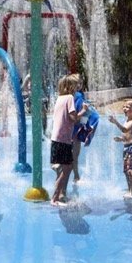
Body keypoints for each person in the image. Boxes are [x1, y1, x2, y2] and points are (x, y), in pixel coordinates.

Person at [50, 75, 82, 205]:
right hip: (63, 140)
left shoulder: (59, 98)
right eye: (75, 85)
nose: (77, 88)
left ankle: (59, 195)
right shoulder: (69, 98)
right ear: (70, 87)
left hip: (56, 139)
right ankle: (55, 197)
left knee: (64, 168)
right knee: (67, 168)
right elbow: (73, 118)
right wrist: (83, 112)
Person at [107, 99, 132, 198]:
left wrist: (115, 122)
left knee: (130, 170)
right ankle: (129, 189)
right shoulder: (126, 121)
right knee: (126, 171)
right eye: (124, 107)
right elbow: (127, 135)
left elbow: (125, 129)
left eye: (127, 107)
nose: (125, 109)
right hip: (126, 147)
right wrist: (121, 139)